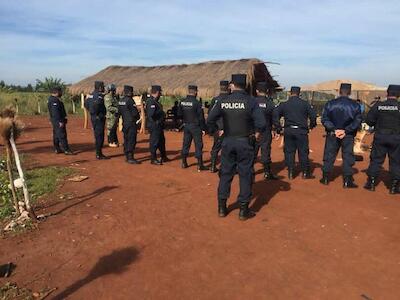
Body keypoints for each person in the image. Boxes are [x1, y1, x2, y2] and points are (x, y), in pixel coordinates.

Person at [207, 74, 266, 221]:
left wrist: (215, 130)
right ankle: (243, 210)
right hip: (245, 142)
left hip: (227, 142)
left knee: (226, 174)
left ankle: (222, 207)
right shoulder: (251, 102)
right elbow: (262, 123)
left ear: (232, 85)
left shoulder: (223, 101)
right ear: (245, 85)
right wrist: (258, 133)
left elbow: (210, 119)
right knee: (245, 175)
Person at [320, 83, 362, 187]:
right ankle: (347, 181)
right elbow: (357, 121)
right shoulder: (355, 105)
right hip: (348, 135)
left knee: (329, 155)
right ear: (350, 92)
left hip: (332, 134)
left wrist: (334, 129)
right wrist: (346, 131)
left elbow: (324, 119)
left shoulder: (330, 103)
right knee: (348, 156)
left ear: (339, 91)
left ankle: (325, 178)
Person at [273, 86, 317, 180]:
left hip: (289, 131)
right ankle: (305, 173)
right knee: (303, 152)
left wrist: (278, 127)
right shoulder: (305, 104)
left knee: (289, 152)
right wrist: (312, 126)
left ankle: (291, 172)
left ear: (290, 93)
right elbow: (313, 115)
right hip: (301, 131)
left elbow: (275, 114)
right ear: (299, 93)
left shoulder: (284, 104)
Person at [364, 84, 400, 194]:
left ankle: (371, 183)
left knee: (376, 160)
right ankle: (394, 187)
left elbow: (369, 120)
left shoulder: (379, 105)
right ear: (398, 95)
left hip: (380, 137)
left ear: (387, 94)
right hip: (396, 138)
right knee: (396, 162)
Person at [178, 85, 208, 171]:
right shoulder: (197, 103)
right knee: (198, 145)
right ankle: (200, 164)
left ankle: (184, 162)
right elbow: (201, 118)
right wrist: (203, 128)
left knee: (186, 144)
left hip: (186, 126)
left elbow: (179, 114)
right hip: (196, 127)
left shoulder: (182, 101)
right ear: (195, 92)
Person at [254, 82, 279, 180]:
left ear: (256, 91)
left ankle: (250, 171)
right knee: (266, 151)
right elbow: (275, 119)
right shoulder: (270, 103)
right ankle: (267, 172)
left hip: (254, 131)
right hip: (266, 131)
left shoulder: (252, 102)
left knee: (252, 152)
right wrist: (276, 129)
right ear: (267, 91)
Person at [208, 80, 230, 173]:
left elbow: (210, 115)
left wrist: (215, 129)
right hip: (229, 128)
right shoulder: (231, 99)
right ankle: (225, 167)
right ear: (228, 87)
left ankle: (213, 166)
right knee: (228, 149)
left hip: (218, 128)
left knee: (216, 147)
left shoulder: (215, 99)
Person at [85, 81, 109, 160]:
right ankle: (99, 154)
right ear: (100, 87)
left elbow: (86, 104)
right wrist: (97, 114)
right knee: (99, 136)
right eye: (103, 87)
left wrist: (92, 113)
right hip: (99, 118)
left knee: (97, 135)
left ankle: (99, 152)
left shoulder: (90, 95)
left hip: (94, 118)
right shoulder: (99, 96)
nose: (104, 88)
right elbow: (97, 105)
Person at [47, 86, 73, 155]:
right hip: (57, 120)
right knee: (62, 135)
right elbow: (56, 112)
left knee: (56, 135)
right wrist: (60, 121)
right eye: (60, 91)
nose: (61, 93)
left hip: (55, 120)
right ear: (56, 92)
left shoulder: (53, 99)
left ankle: (57, 148)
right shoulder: (54, 100)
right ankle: (66, 150)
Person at [118, 85, 141, 164]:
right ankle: (130, 157)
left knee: (126, 139)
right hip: (131, 123)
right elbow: (135, 113)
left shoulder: (121, 100)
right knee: (131, 140)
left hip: (125, 123)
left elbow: (118, 112)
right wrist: (138, 116)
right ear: (130, 92)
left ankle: (127, 155)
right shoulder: (130, 101)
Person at [146, 85, 168, 165]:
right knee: (154, 141)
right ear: (157, 92)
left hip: (158, 125)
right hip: (154, 125)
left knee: (161, 141)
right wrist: (161, 113)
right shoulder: (151, 101)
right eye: (160, 92)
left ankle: (163, 156)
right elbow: (151, 114)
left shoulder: (155, 101)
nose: (160, 94)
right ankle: (153, 158)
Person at [104, 83, 119, 147]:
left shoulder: (114, 97)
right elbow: (109, 107)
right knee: (110, 129)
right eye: (114, 90)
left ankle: (115, 141)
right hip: (110, 116)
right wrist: (117, 109)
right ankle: (110, 141)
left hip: (114, 116)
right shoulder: (107, 97)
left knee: (114, 129)